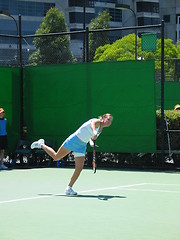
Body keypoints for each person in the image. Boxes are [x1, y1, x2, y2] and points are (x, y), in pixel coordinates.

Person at [31, 113, 113, 195]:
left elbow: (90, 137)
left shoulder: (101, 130)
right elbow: (92, 124)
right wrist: (94, 131)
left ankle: (69, 188)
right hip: (74, 140)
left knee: (79, 168)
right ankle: (41, 144)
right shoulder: (97, 121)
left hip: (82, 146)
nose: (109, 122)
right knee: (56, 157)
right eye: (108, 119)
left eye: (111, 121)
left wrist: (91, 142)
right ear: (103, 118)